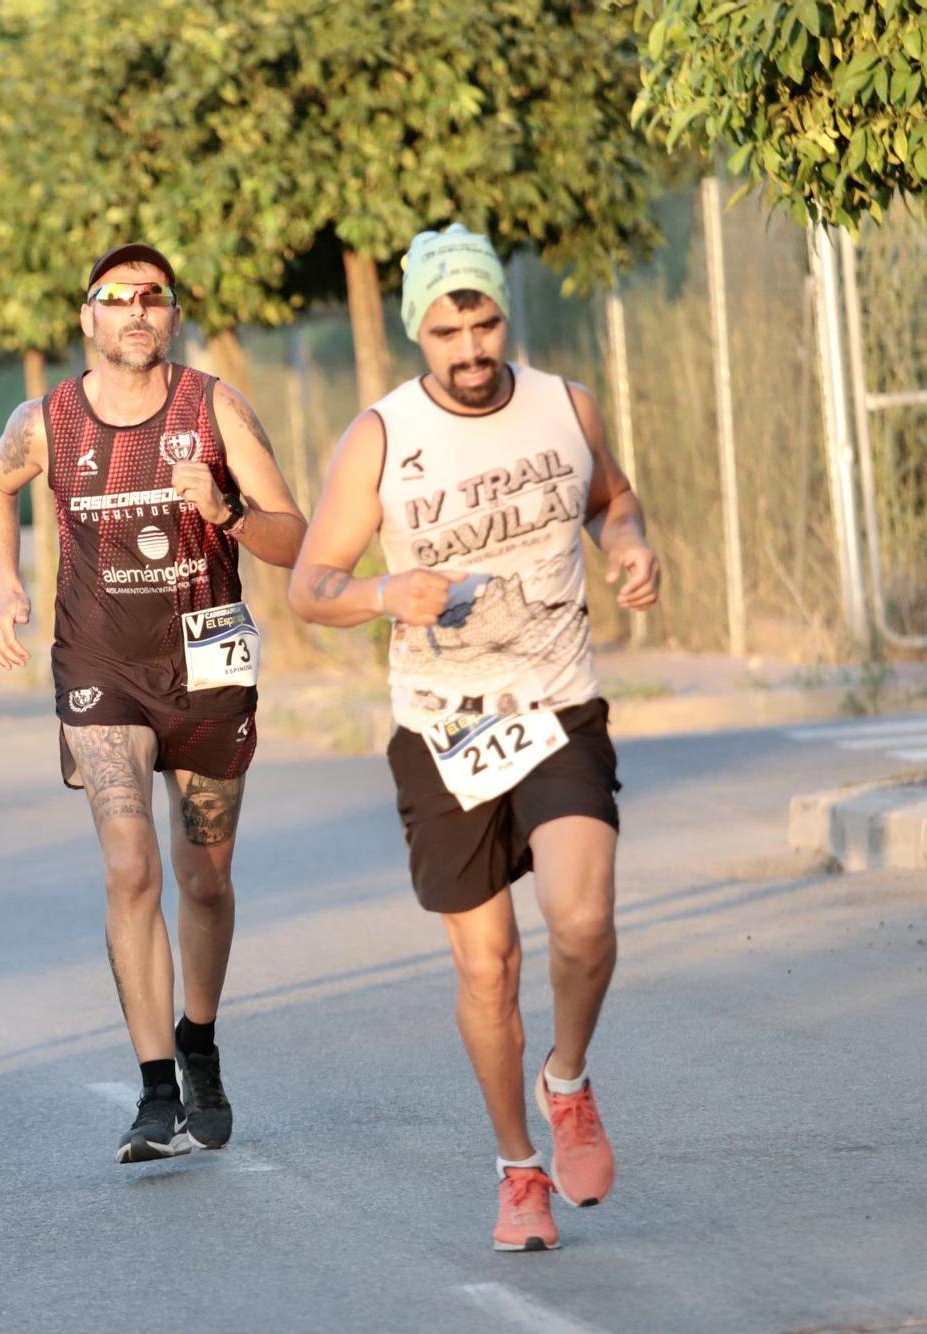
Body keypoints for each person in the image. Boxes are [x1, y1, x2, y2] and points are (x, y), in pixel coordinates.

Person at [288, 225, 661, 1251]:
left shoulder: (562, 404)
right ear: (417, 331)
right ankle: (515, 1168)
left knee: (581, 922)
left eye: (482, 318)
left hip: (555, 702)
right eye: (446, 327)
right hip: (442, 729)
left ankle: (567, 1079)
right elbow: (307, 586)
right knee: (487, 966)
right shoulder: (378, 436)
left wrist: (629, 547)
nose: (467, 345)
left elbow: (612, 500)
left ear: (504, 315)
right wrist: (377, 591)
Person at [0, 244, 308, 1163]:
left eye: (152, 298)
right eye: (114, 298)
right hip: (100, 669)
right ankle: (156, 1089)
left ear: (172, 316)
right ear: (87, 318)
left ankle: (199, 1041)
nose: (134, 312)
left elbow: (296, 537)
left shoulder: (217, 410)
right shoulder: (44, 420)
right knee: (131, 871)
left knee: (203, 878)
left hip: (207, 666)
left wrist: (231, 510)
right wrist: (8, 587)